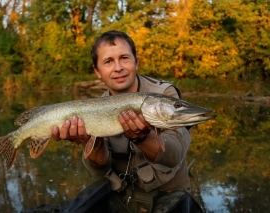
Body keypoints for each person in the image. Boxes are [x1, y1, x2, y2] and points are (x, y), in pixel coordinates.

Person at [51, 30, 203, 213]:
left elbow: (174, 155)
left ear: (136, 62)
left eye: (124, 58)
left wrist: (142, 139)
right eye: (108, 61)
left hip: (167, 195)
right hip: (121, 194)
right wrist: (92, 140)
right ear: (97, 71)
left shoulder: (164, 96)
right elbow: (99, 169)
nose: (118, 68)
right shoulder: (96, 106)